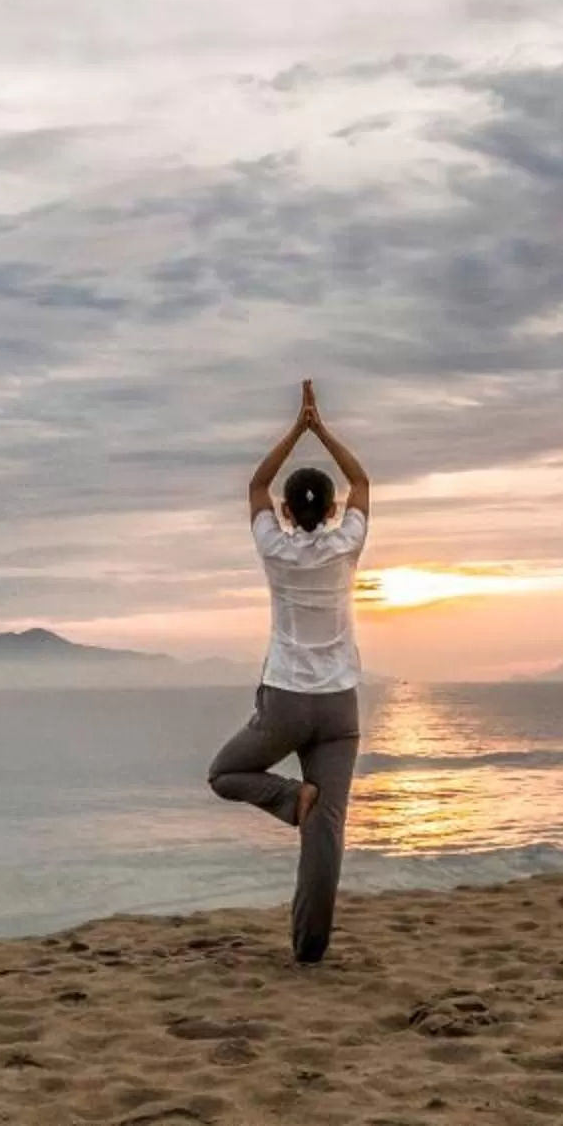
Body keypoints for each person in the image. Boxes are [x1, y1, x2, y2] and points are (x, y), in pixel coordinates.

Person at [206, 378, 372, 963]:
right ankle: (310, 949)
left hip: (286, 700)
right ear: (330, 511)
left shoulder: (274, 547)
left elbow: (255, 483)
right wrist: (321, 430)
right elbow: (362, 482)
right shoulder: (345, 545)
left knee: (225, 772)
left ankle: (285, 798)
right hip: (339, 707)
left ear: (283, 511)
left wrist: (295, 428)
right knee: (326, 828)